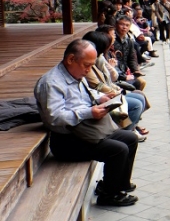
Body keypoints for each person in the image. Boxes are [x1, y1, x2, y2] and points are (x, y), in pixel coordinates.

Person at [34, 39, 138, 206]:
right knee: (118, 150)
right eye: (86, 65)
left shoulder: (76, 73)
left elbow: (87, 94)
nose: (89, 70)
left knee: (130, 139)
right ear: (70, 59)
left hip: (86, 131)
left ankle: (117, 184)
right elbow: (54, 117)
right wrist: (89, 112)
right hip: (67, 142)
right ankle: (109, 195)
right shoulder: (50, 82)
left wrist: (101, 98)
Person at [83, 31, 148, 141]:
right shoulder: (89, 62)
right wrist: (113, 91)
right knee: (136, 103)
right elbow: (97, 84)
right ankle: (125, 134)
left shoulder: (100, 58)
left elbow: (112, 75)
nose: (113, 40)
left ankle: (131, 128)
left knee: (139, 95)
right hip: (100, 97)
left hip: (107, 92)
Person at [113, 16, 146, 90]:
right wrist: (123, 76)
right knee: (137, 84)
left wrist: (135, 70)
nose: (124, 27)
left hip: (124, 72)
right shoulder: (112, 40)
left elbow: (132, 58)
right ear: (116, 25)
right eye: (122, 24)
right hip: (116, 74)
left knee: (142, 82)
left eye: (127, 25)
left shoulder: (129, 41)